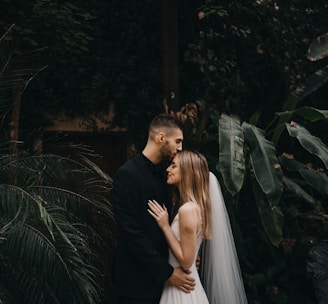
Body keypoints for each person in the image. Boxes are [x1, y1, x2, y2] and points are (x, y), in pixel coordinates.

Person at [111, 114, 196, 304]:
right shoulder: (127, 175)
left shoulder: (166, 175)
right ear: (161, 138)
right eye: (178, 141)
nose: (180, 148)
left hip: (165, 284)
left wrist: (184, 257)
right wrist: (167, 273)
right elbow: (131, 234)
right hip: (136, 283)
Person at [148, 149, 248, 304]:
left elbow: (187, 261)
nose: (168, 169)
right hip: (180, 285)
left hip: (182, 290)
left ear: (187, 172)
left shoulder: (187, 209)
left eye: (174, 166)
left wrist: (165, 226)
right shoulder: (187, 206)